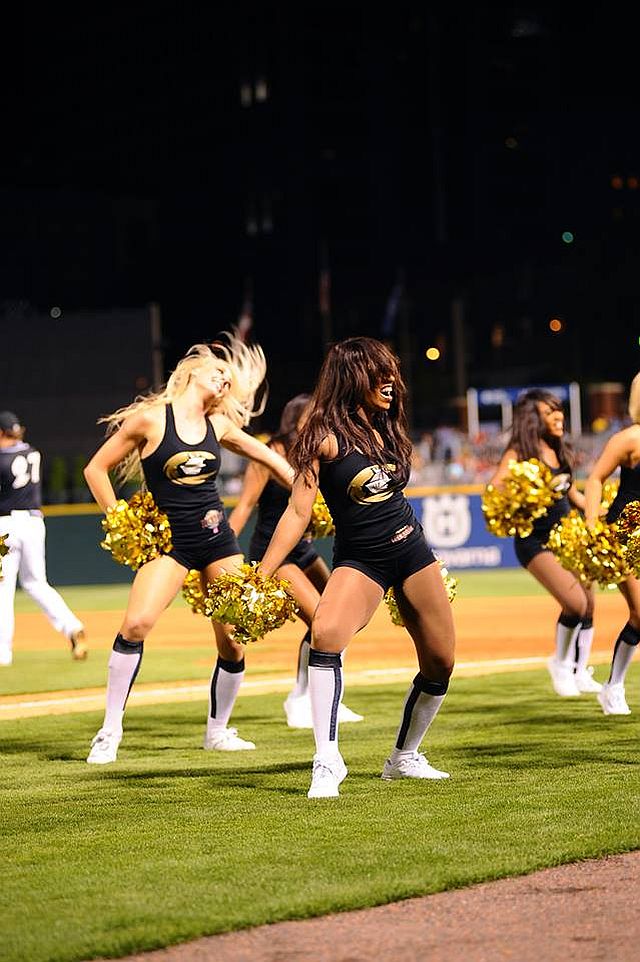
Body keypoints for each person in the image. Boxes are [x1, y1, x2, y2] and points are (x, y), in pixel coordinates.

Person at [258, 337, 455, 799]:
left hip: (412, 550)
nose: (390, 381)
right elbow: (296, 512)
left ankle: (404, 757)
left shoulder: (387, 423)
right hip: (362, 558)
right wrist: (261, 573)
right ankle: (326, 760)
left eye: (391, 372)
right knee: (325, 635)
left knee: (441, 662)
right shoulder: (321, 436)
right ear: (351, 378)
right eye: (378, 374)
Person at [83, 335, 293, 764]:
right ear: (192, 371)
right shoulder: (149, 419)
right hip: (170, 544)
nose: (223, 381)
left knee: (233, 641)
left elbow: (272, 460)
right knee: (137, 624)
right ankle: (109, 730)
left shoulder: (219, 426)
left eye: (228, 381)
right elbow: (96, 469)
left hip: (217, 542)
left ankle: (218, 731)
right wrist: (121, 520)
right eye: (218, 372)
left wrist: (311, 494)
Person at [227, 393, 363, 729]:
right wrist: (223, 550)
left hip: (304, 549)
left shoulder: (318, 452)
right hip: (275, 552)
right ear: (296, 418)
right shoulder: (270, 453)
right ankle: (299, 699)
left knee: (339, 618)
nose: (322, 417)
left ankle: (328, 699)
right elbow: (244, 506)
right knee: (321, 619)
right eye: (314, 413)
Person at [489, 389, 598, 698]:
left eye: (558, 410)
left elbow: (573, 495)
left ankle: (580, 671)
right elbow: (494, 491)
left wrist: (603, 511)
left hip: (567, 537)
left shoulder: (558, 450)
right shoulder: (519, 453)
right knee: (575, 604)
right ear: (533, 418)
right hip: (535, 541)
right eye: (550, 412)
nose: (558, 416)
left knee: (589, 604)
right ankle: (560, 664)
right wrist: (520, 499)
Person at [0, 410, 87, 666]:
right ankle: (72, 626)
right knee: (36, 583)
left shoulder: (1, 459)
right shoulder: (32, 452)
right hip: (34, 523)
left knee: (3, 590)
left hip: (5, 525)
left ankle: (2, 653)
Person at [584, 371, 640, 715]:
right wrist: (592, 526)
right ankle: (613, 686)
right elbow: (595, 478)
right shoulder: (629, 439)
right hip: (625, 531)